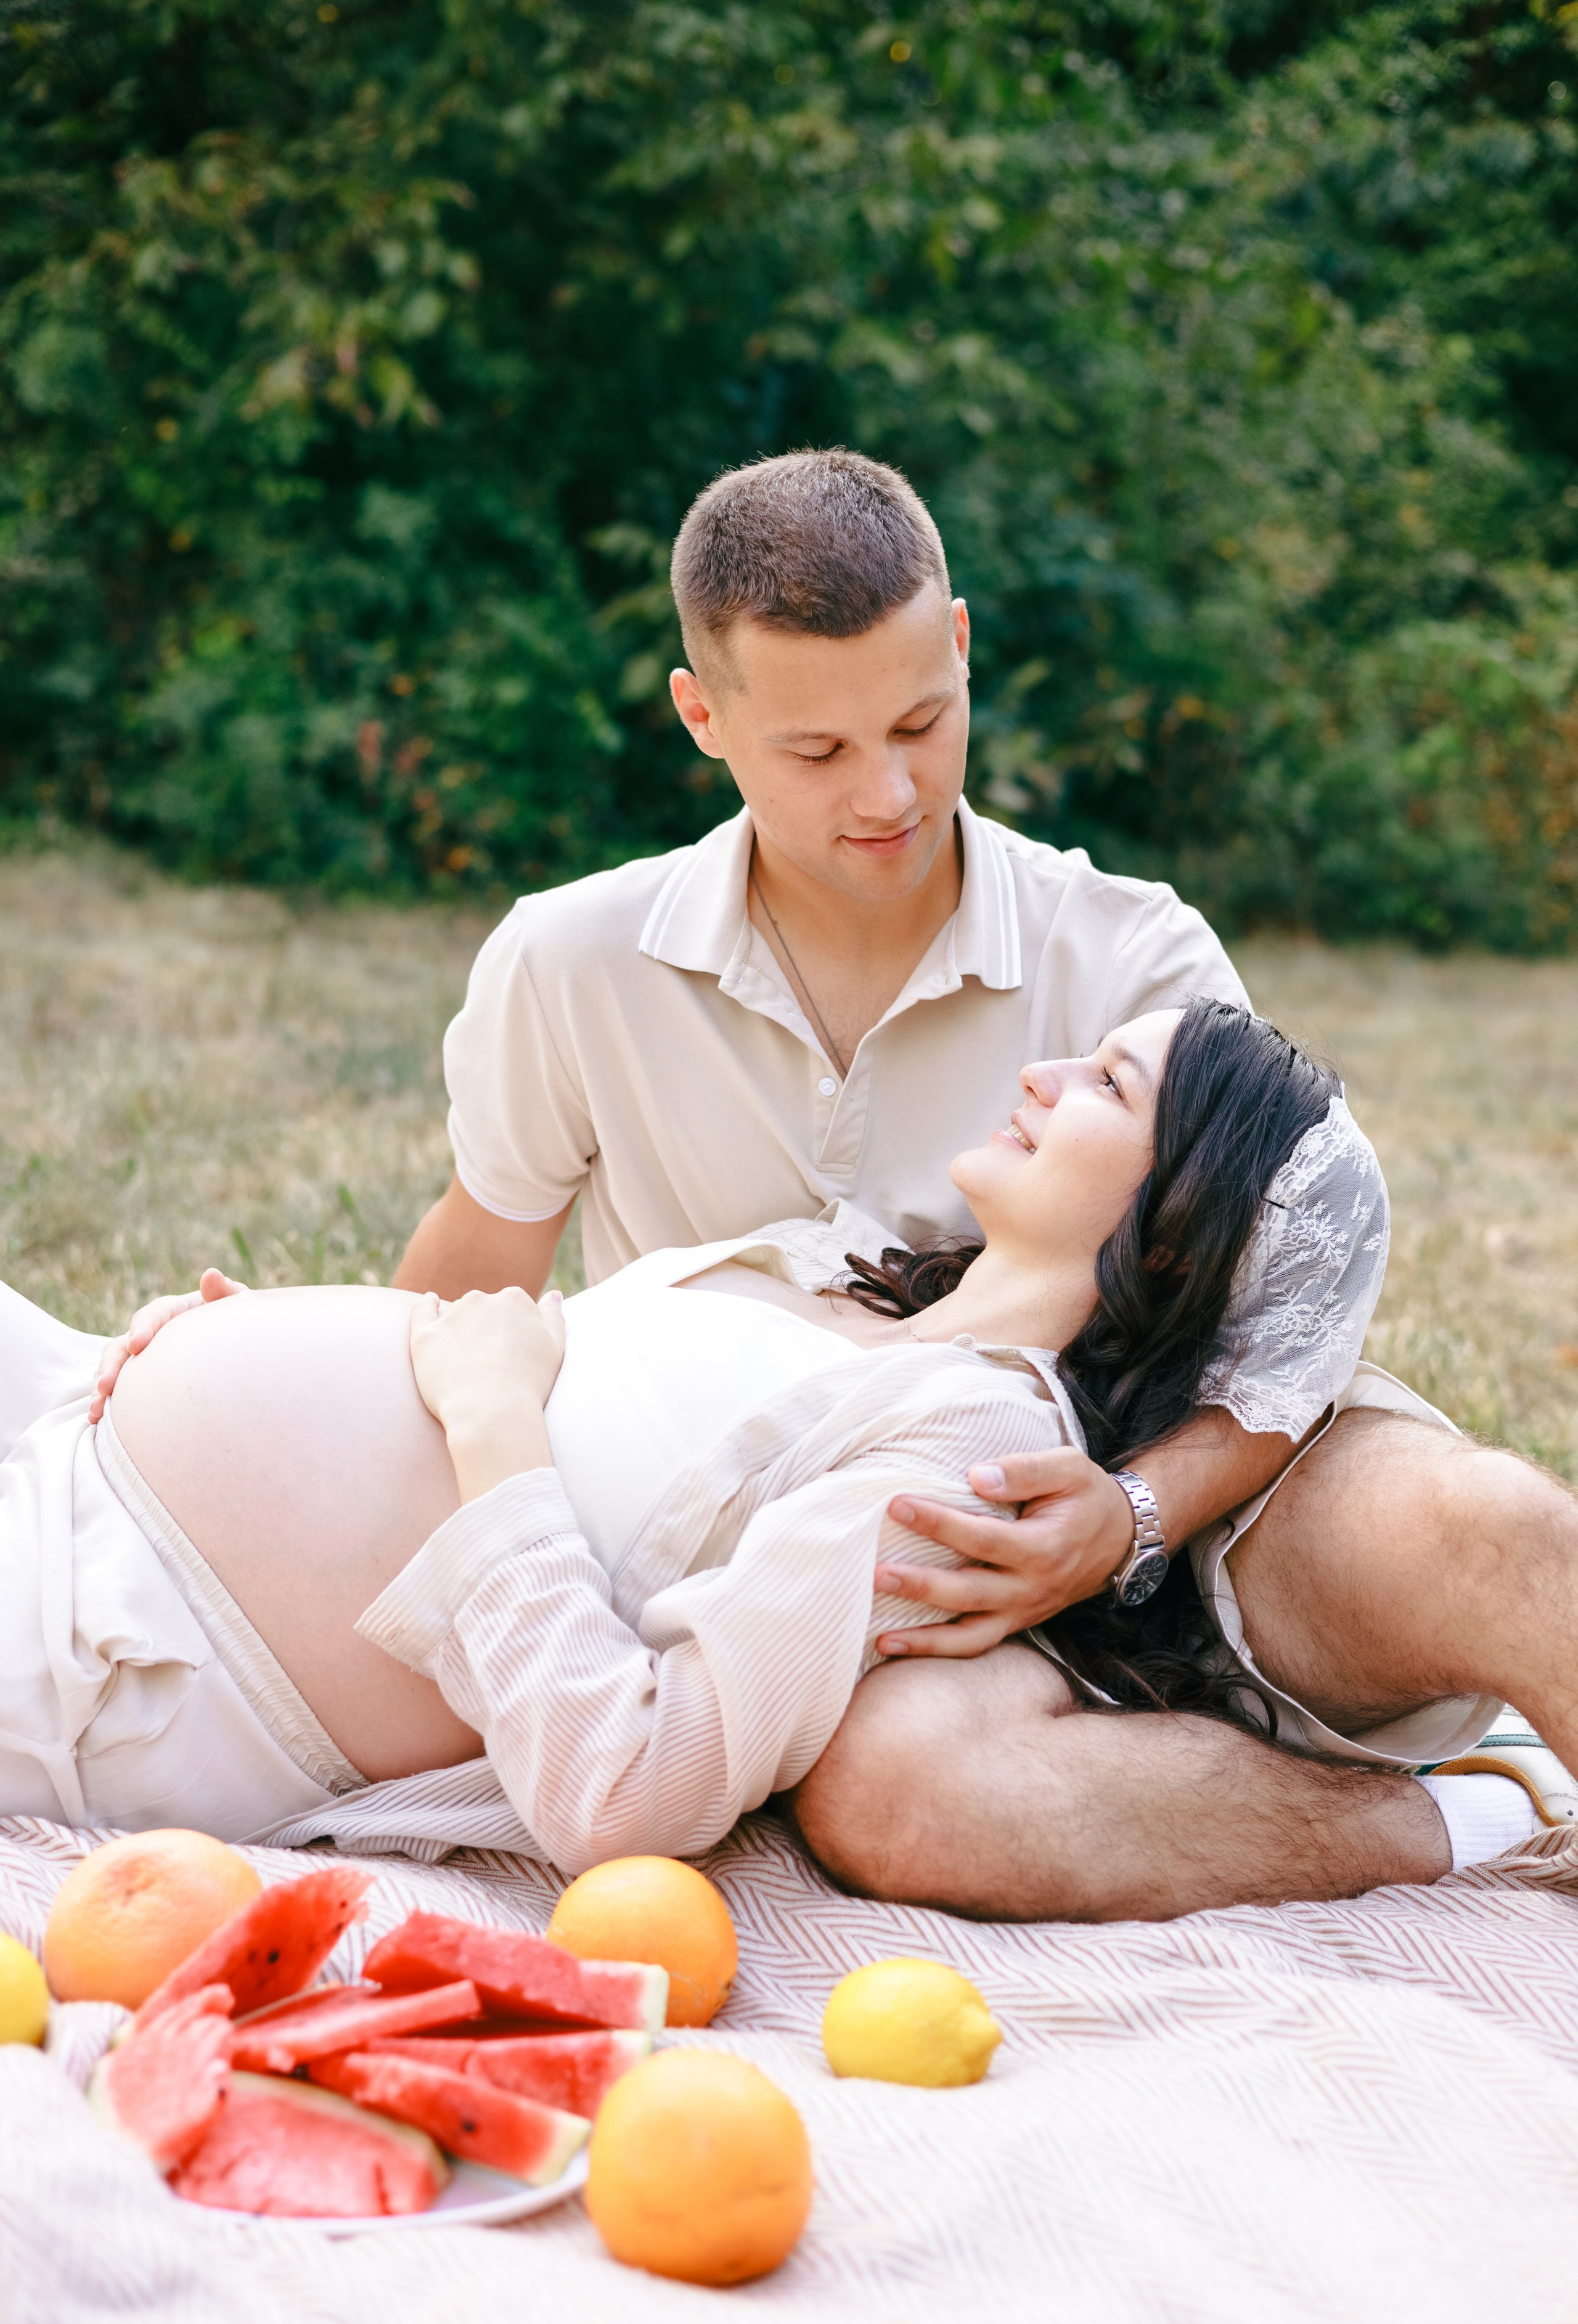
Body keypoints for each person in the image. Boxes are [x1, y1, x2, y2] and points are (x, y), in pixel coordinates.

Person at [91, 449, 1578, 1910]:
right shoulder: (571, 961)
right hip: (806, 1590)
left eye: (924, 721)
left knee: (1482, 1528)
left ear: (961, 647)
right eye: (816, 752)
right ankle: (1450, 1824)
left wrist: (1126, 1513)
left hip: (1152, 1477)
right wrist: (318, 1352)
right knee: (901, 1797)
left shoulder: (1127, 953)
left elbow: (1294, 1290)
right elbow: (485, 1247)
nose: (888, 788)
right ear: (702, 716)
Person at [0, 1000, 1457, 1883]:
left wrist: (489, 1421)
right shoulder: (835, 1280)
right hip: (76, 1427)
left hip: (119, 1646)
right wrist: (243, 1345)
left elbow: (628, 1787)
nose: (1044, 1075)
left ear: (1174, 1228)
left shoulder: (966, 1451)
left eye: (1109, 1089)